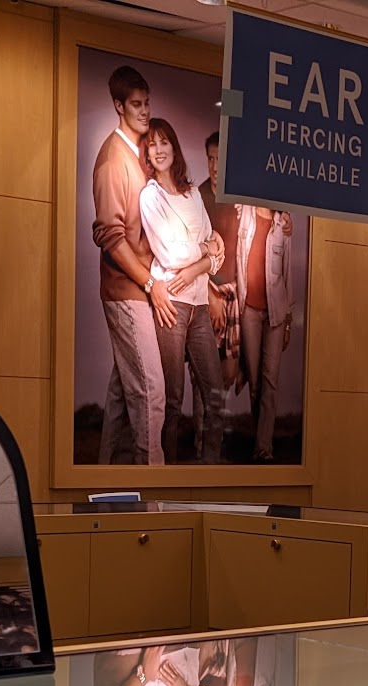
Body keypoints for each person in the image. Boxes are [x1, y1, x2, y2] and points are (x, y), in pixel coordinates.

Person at [91, 66, 171, 465]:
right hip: (127, 291)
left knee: (123, 392)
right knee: (151, 391)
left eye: (147, 103)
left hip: (143, 287)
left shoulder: (141, 154)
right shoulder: (113, 160)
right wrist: (150, 284)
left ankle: (101, 474)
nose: (144, 111)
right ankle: (151, 487)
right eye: (136, 104)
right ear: (118, 106)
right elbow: (111, 236)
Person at [138, 118, 227, 464]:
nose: (159, 150)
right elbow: (172, 256)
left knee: (215, 395)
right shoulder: (151, 196)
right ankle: (168, 477)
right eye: (152, 145)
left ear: (174, 148)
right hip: (172, 307)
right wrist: (204, 253)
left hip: (200, 306)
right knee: (172, 399)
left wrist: (196, 266)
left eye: (164, 143)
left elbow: (218, 254)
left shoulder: (192, 194)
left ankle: (210, 470)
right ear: (147, 154)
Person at [234, 204, 294, 461]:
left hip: (276, 313)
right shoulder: (244, 212)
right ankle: (260, 440)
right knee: (255, 381)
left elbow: (288, 273)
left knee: (270, 380)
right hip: (248, 310)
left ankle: (263, 447)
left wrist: (288, 319)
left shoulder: (283, 224)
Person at [200, 133, 245, 458]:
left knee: (227, 375)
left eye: (221, 159)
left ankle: (214, 448)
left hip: (233, 294)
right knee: (201, 375)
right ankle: (202, 447)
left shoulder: (239, 198)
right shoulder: (198, 196)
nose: (215, 166)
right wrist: (208, 293)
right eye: (211, 159)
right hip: (203, 294)